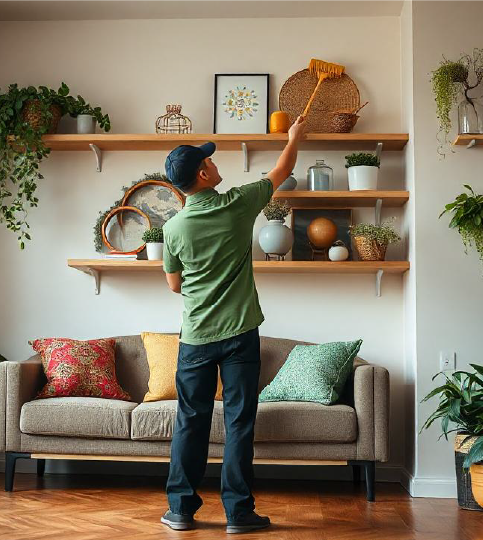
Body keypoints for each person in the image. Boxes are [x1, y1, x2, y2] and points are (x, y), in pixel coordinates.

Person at [159, 116, 306, 534]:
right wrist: (294, 138)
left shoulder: (172, 228)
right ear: (204, 174)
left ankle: (181, 511)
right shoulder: (239, 203)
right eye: (209, 160)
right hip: (241, 335)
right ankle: (238, 515)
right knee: (240, 422)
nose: (213, 162)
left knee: (191, 420)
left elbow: (174, 285)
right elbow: (281, 172)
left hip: (196, 338)